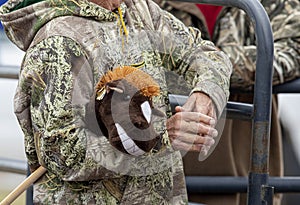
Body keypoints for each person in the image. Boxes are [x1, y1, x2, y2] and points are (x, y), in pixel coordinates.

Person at [0, 0, 232, 204]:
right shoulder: (58, 43)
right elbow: (62, 153)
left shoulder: (140, 10)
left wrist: (206, 93)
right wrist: (161, 139)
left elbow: (205, 54)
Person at [155, 0, 300, 205]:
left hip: (247, 176)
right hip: (165, 180)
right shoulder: (148, 5)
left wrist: (210, 64)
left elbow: (294, 49)